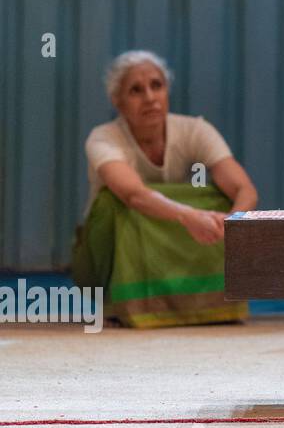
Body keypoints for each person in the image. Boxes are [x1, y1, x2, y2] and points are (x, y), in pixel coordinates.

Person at [74, 50, 258, 327]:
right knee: (118, 202)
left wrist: (234, 221)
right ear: (118, 102)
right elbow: (134, 195)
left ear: (166, 91)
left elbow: (244, 189)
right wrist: (189, 216)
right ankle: (126, 301)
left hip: (167, 249)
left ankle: (212, 305)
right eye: (136, 90)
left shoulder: (195, 130)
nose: (149, 97)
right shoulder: (103, 138)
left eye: (156, 86)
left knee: (219, 201)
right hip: (103, 255)